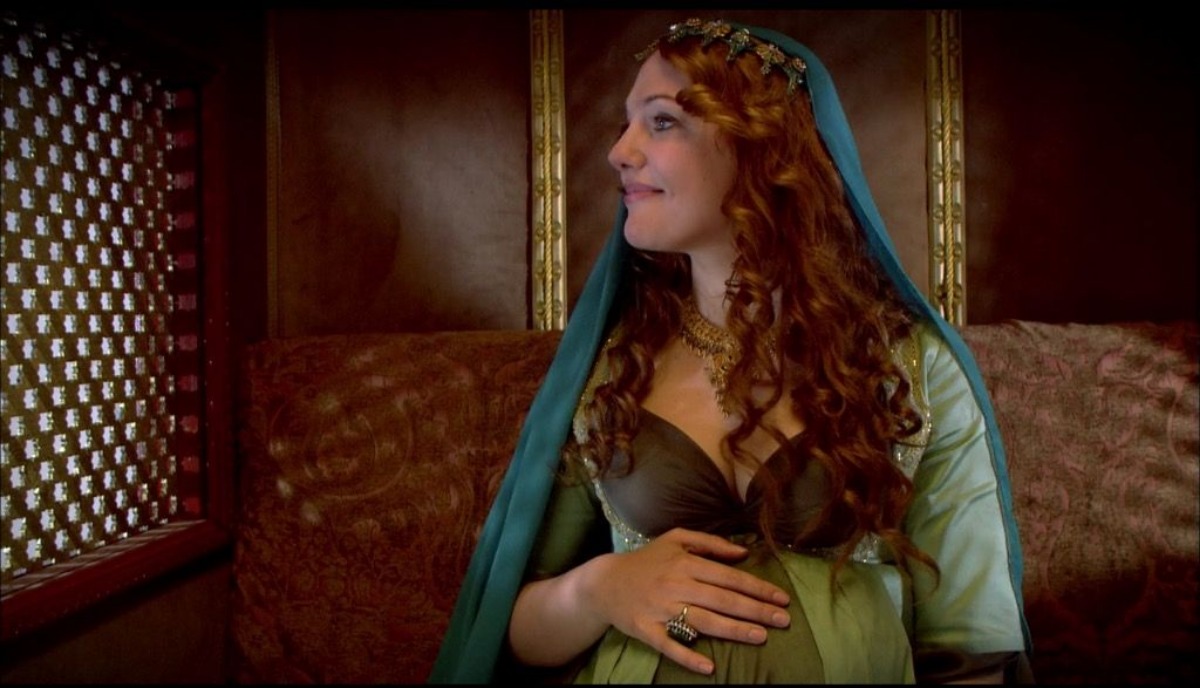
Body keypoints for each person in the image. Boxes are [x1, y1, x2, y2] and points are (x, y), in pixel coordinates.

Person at [431, 17, 1032, 684]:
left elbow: (974, 641)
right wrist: (600, 589)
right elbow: (510, 632)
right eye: (627, 124)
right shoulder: (613, 370)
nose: (619, 151)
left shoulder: (909, 369)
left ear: (761, 148)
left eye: (661, 122)